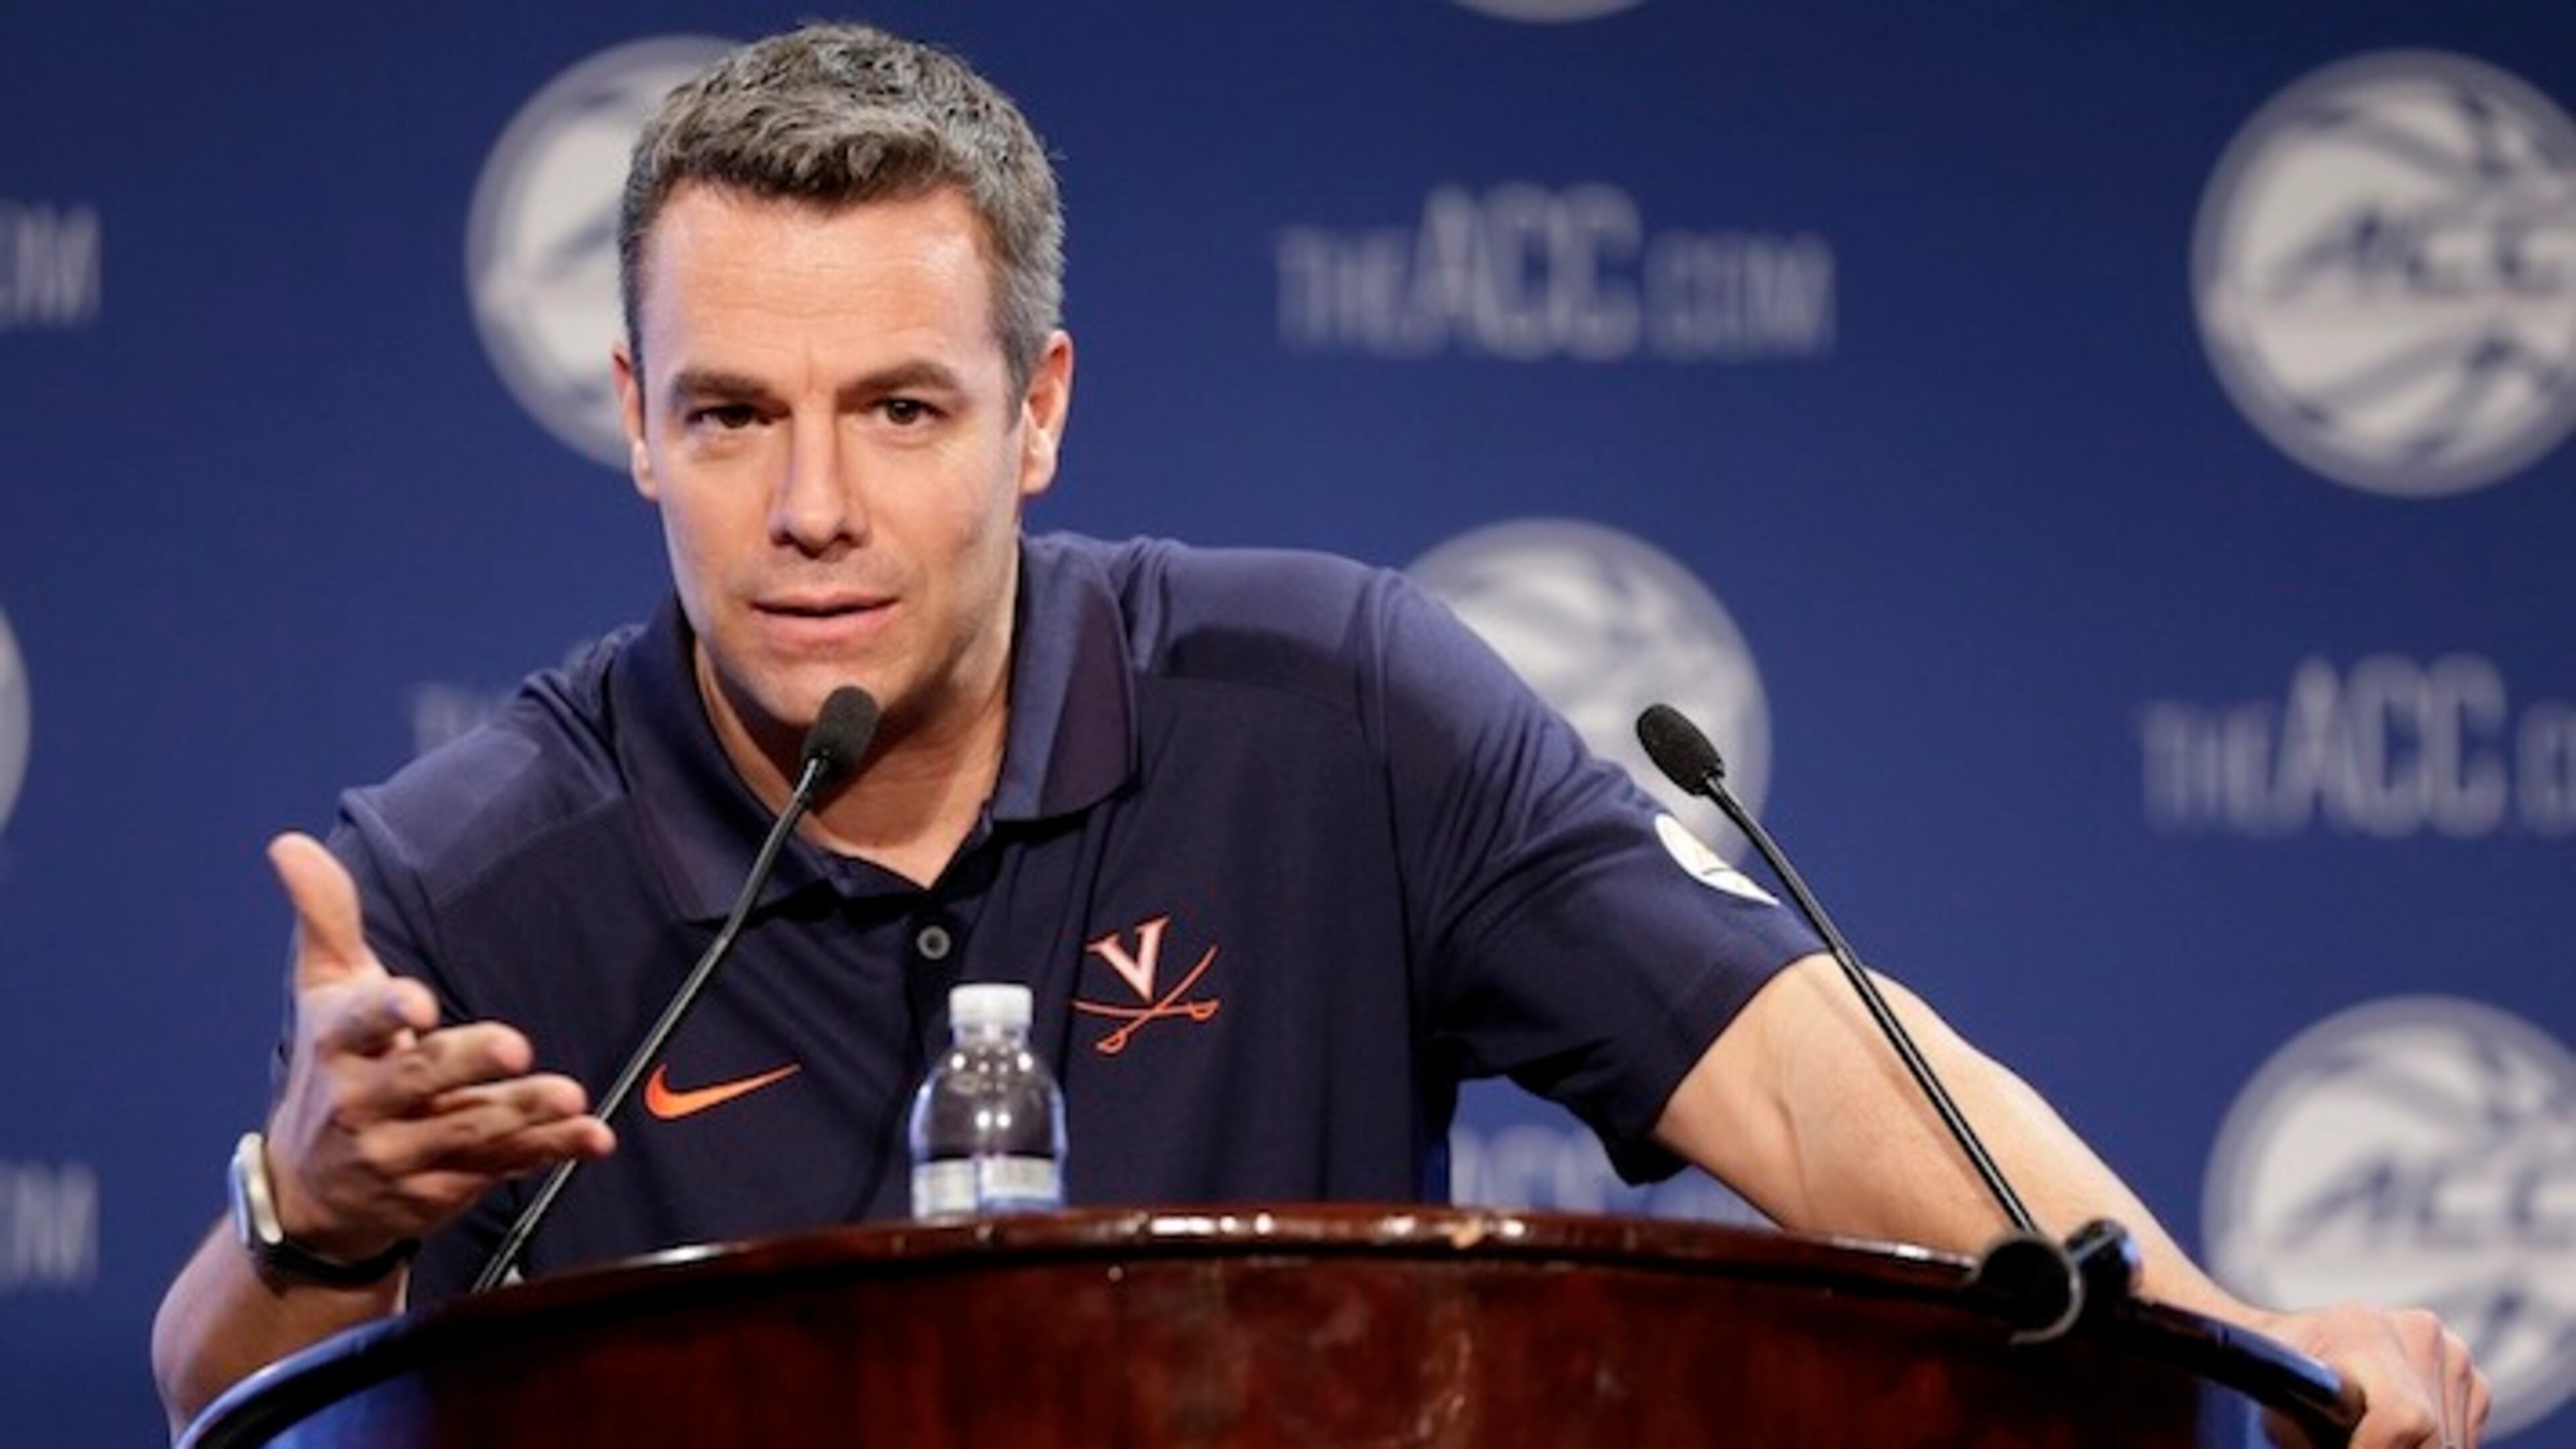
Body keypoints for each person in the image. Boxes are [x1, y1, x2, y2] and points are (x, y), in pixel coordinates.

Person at [152, 20, 2488, 1445]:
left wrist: (2230, 1339)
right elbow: (210, 1389)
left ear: (1041, 412)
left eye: (903, 407)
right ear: (634, 426)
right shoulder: (473, 868)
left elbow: (1801, 1071)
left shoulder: (1335, 710)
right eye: (735, 415)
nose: (818, 508)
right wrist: (307, 1212)